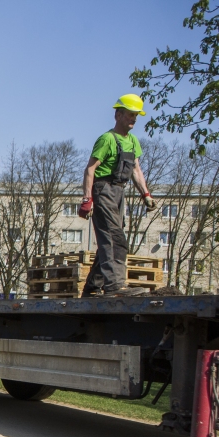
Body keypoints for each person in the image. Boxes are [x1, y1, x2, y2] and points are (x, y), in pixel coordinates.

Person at [79, 94, 158, 297]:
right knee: (114, 239)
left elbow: (136, 171)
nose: (133, 119)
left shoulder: (132, 141)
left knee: (110, 238)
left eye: (136, 116)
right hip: (103, 189)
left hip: (119, 192)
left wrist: (146, 195)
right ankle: (115, 286)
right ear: (118, 115)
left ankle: (92, 287)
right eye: (130, 115)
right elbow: (90, 169)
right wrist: (87, 199)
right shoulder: (106, 139)